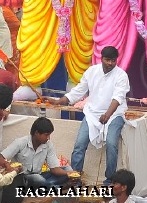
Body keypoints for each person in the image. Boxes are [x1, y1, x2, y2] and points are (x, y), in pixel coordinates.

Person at [45, 46, 130, 183]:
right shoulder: (92, 71)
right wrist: (60, 101)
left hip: (115, 115)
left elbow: (118, 98)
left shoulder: (121, 75)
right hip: (92, 114)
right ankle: (74, 179)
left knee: (111, 143)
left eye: (113, 60)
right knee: (79, 144)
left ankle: (110, 181)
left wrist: (108, 115)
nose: (110, 63)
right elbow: (79, 91)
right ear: (101, 58)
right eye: (107, 60)